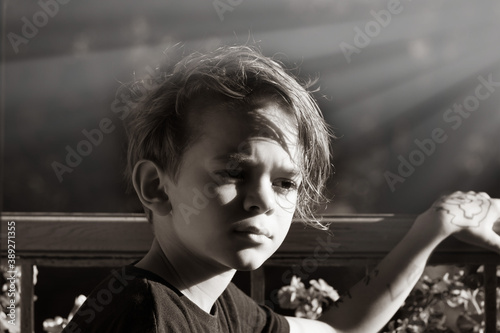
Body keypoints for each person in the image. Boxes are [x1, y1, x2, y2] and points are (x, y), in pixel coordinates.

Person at [62, 45, 500, 333]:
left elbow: (338, 330)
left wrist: (433, 229)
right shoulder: (144, 316)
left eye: (286, 182)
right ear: (156, 187)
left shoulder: (219, 304)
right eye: (232, 173)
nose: (263, 200)